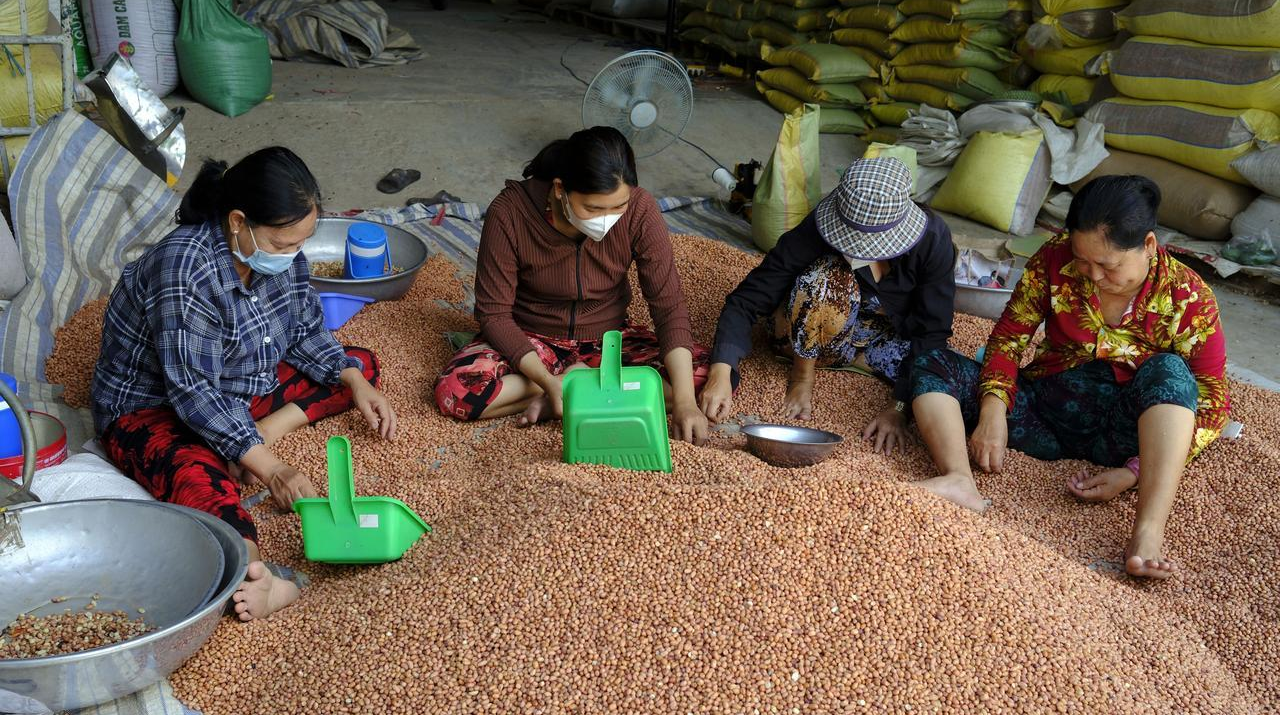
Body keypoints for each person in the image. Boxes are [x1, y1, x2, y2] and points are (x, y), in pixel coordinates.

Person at [92, 148, 398, 620]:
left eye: (302, 241)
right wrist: (274, 470)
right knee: (200, 484)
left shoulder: (282, 256)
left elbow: (303, 332)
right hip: (153, 408)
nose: (294, 255)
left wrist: (352, 379)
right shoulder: (184, 267)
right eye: (283, 243)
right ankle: (257, 578)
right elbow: (193, 392)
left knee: (357, 365)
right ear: (238, 221)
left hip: (238, 387)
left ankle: (251, 440)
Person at [909, 175, 1229, 580]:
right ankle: (958, 478)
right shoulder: (1054, 259)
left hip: (1124, 436)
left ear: (1148, 245)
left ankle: (1147, 532)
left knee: (1172, 372)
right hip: (1045, 414)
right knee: (931, 362)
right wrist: (992, 410)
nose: (1092, 275)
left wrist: (1132, 472)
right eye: (1082, 260)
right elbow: (1010, 337)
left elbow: (1213, 403)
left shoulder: (1189, 298)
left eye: (1108, 265)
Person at [434, 127, 712, 444]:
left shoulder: (640, 210)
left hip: (609, 340)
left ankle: (568, 389)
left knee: (705, 375)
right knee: (456, 392)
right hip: (532, 340)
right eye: (593, 209)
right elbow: (493, 314)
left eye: (618, 206)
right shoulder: (510, 213)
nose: (607, 219)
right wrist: (547, 379)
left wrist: (686, 405)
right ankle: (569, 389)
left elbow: (668, 305)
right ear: (559, 189)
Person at [700, 157, 956, 454]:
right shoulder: (818, 226)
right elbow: (746, 300)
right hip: (805, 327)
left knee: (942, 373)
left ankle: (856, 360)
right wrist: (721, 372)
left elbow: (932, 331)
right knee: (827, 276)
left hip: (875, 334)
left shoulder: (934, 240)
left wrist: (899, 407)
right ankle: (803, 373)